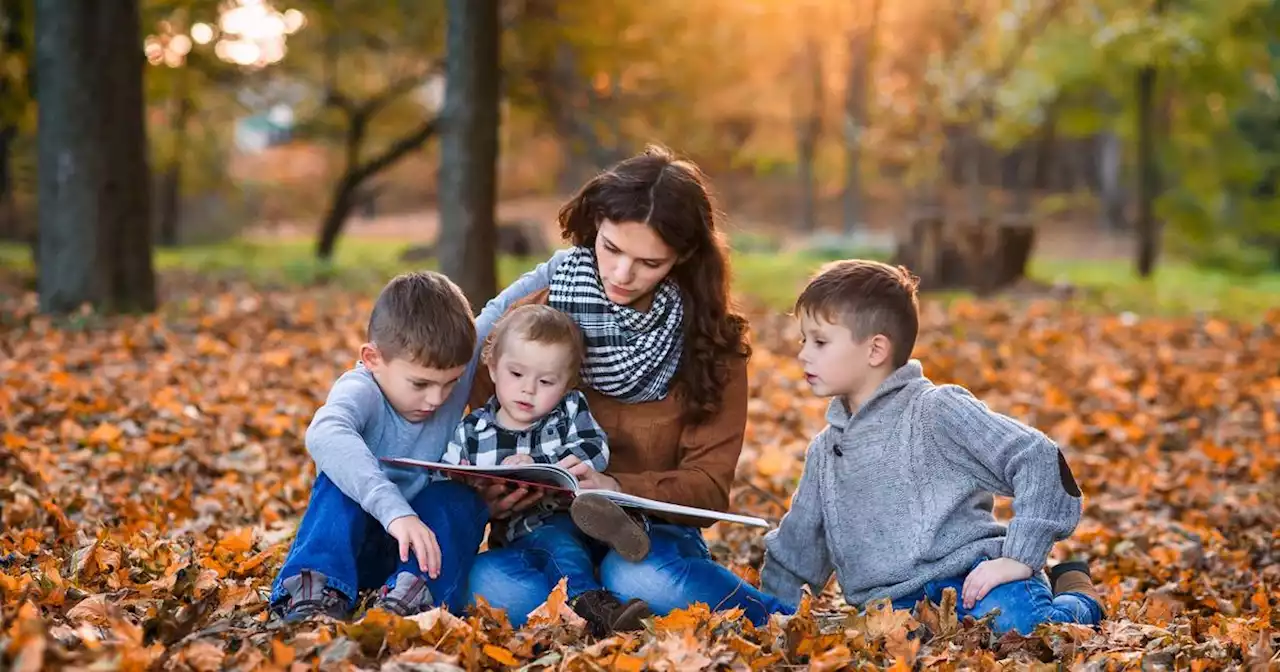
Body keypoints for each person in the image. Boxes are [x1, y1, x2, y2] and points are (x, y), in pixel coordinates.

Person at [466, 145, 794, 630]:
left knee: (639, 577)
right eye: (611, 248)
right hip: (538, 535)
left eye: (648, 262)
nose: (621, 274)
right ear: (594, 226)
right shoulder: (536, 317)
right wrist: (488, 496)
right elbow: (471, 423)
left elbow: (707, 487)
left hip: (649, 538)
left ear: (682, 257)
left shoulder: (712, 345)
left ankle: (771, 617)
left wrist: (616, 487)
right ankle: (600, 608)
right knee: (486, 583)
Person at [760, 259, 1106, 636]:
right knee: (884, 646)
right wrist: (773, 619)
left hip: (972, 582)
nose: (803, 354)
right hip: (891, 610)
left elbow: (1037, 457)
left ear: (875, 350)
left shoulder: (936, 411)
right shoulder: (827, 451)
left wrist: (1020, 557)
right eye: (803, 340)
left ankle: (1076, 593)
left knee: (1018, 626)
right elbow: (798, 550)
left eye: (820, 342)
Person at [268, 265, 558, 622]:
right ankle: (313, 593)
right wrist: (395, 512)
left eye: (450, 383)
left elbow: (499, 309)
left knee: (457, 498)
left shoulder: (449, 368)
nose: (437, 398)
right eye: (420, 385)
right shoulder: (362, 389)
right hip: (351, 549)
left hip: (424, 553)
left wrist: (569, 258)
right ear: (373, 359)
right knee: (338, 481)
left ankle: (413, 600)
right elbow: (325, 432)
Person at [440, 304, 652, 636]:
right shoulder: (473, 430)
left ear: (567, 383)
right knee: (555, 546)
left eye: (546, 381)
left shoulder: (569, 410)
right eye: (517, 374)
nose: (529, 389)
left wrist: (553, 467)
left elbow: (595, 445)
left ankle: (593, 603)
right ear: (493, 368)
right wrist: (471, 488)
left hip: (575, 511)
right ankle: (589, 594)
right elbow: (446, 478)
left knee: (567, 540)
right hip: (522, 530)